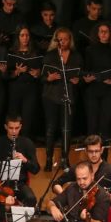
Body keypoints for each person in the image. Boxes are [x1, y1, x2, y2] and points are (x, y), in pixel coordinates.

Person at [41, 27, 82, 171]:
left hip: (68, 95)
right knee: (51, 128)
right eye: (60, 39)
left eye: (65, 39)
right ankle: (48, 159)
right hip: (51, 95)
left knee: (66, 129)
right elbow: (42, 77)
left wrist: (78, 81)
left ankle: (65, 159)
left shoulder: (76, 56)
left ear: (70, 40)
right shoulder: (50, 55)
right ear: (56, 40)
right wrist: (49, 78)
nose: (63, 41)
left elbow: (80, 75)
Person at [0, 115, 40, 206]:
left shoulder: (27, 143)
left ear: (21, 127)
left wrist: (25, 160)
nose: (14, 131)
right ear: (5, 127)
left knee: (31, 198)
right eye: (11, 128)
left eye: (17, 128)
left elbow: (36, 169)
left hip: (19, 184)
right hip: (0, 184)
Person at [54, 135, 111, 206]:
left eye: (96, 151)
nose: (94, 154)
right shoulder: (79, 169)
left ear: (101, 150)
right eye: (90, 151)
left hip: (101, 210)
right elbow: (56, 183)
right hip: (79, 210)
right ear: (86, 151)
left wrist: (108, 195)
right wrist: (66, 196)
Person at [82, 22, 111, 139]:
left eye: (106, 31)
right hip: (92, 90)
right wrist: (87, 78)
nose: (103, 34)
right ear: (97, 34)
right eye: (101, 31)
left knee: (105, 124)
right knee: (92, 124)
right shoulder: (90, 50)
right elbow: (86, 69)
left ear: (110, 34)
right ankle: (91, 150)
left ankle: (104, 150)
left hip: (109, 91)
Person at [5, 24, 42, 135]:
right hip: (15, 88)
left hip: (30, 88)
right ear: (18, 37)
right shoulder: (11, 52)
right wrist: (17, 71)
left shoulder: (36, 52)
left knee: (28, 117)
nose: (25, 38)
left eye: (27, 35)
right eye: (22, 35)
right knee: (14, 117)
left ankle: (25, 141)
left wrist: (37, 73)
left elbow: (42, 71)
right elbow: (7, 75)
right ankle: (13, 141)